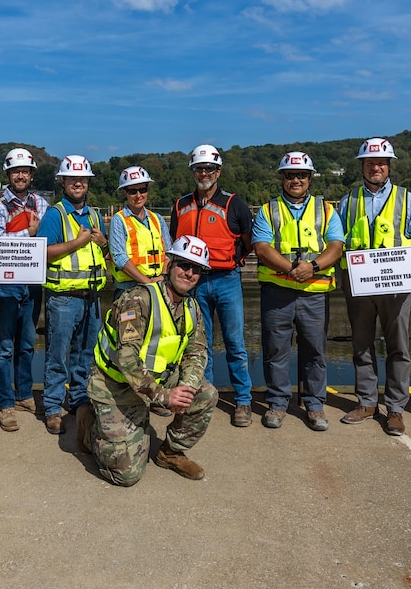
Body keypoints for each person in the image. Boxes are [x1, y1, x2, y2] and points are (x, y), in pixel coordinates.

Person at [77, 235, 217, 486]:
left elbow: (197, 351)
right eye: (183, 265)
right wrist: (163, 396)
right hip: (116, 386)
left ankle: (170, 452)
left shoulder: (192, 307)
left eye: (196, 269)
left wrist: (185, 388)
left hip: (155, 382)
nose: (189, 273)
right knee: (126, 475)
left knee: (205, 393)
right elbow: (127, 359)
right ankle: (89, 425)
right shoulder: (138, 299)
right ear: (169, 265)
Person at [336, 138, 411, 436]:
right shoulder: (348, 201)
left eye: (380, 163)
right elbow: (337, 244)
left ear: (389, 166)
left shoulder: (408, 200)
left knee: (398, 347)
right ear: (362, 167)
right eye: (369, 163)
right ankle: (366, 402)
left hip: (397, 287)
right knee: (361, 345)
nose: (375, 167)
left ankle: (395, 408)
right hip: (360, 287)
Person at [252, 152, 344, 432]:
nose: (296, 179)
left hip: (314, 294)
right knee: (275, 350)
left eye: (301, 175)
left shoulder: (326, 210)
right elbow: (262, 248)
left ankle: (314, 404)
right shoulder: (268, 210)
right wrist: (292, 268)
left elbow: (336, 247)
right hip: (278, 292)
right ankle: (278, 403)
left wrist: (312, 267)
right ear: (282, 177)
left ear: (309, 178)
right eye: (290, 174)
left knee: (314, 351)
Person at [172, 144, 255, 427]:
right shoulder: (180, 205)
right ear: (193, 172)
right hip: (193, 282)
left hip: (226, 280)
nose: (204, 173)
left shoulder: (234, 204)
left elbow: (248, 241)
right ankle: (203, 397)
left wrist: (233, 260)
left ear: (218, 171)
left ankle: (243, 401)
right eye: (199, 169)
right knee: (198, 345)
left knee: (235, 343)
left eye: (209, 168)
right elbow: (175, 241)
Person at [37, 155, 107, 436]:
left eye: (82, 179)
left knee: (86, 354)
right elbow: (42, 253)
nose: (78, 183)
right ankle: (53, 407)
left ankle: (78, 399)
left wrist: (102, 243)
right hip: (63, 298)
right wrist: (77, 241)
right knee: (58, 356)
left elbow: (99, 251)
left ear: (88, 182)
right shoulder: (56, 214)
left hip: (91, 296)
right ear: (63, 182)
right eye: (72, 179)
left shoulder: (94, 214)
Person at [0, 147, 47, 432]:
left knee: (26, 345)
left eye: (25, 171)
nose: (20, 175)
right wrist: (29, 233)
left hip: (33, 283)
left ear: (31, 175)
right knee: (4, 347)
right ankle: (6, 403)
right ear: (8, 175)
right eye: (15, 171)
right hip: (6, 284)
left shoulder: (42, 203)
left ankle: (24, 395)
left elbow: (50, 239)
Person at [109, 165, 171, 298]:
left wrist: (162, 277)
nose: (138, 196)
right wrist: (148, 282)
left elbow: (168, 254)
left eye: (142, 190)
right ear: (124, 192)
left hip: (158, 285)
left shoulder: (157, 219)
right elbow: (119, 257)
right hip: (129, 289)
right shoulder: (119, 220)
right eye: (132, 191)